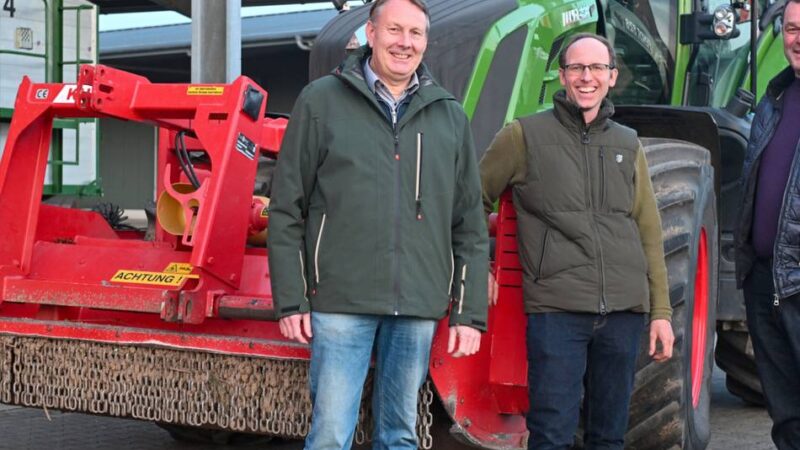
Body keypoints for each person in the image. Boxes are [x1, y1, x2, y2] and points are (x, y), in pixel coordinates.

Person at [267, 0, 489, 448]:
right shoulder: (321, 101)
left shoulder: (449, 115)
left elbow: (468, 222)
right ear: (371, 33)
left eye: (415, 33)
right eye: (394, 30)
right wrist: (291, 300)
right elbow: (286, 208)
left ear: (426, 42)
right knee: (330, 435)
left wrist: (468, 312)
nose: (405, 43)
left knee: (400, 435)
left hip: (417, 303)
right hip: (340, 301)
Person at [479, 33, 674, 449]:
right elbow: (470, 201)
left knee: (609, 438)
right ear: (562, 75)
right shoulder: (522, 136)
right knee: (552, 437)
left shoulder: (627, 143)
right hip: (557, 312)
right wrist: (478, 264)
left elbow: (648, 230)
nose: (588, 77)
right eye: (577, 68)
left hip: (622, 313)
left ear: (612, 76)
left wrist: (660, 312)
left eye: (597, 68)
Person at [734, 1, 800, 447]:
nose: (798, 39)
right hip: (764, 279)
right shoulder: (774, 99)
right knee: (786, 414)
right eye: (792, 29)